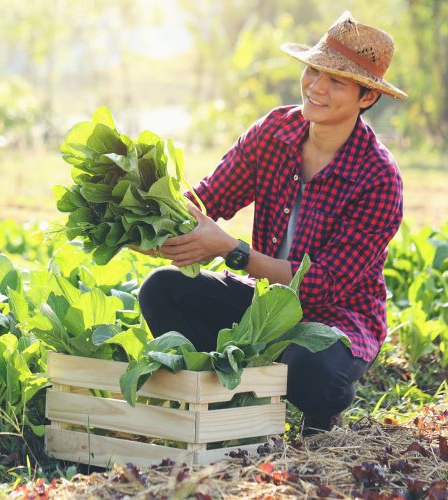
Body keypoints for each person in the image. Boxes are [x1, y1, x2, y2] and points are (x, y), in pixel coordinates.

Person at [138, 11, 407, 436]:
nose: (316, 86)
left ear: (366, 97)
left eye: (336, 81)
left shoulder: (378, 177)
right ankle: (224, 399)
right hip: (264, 302)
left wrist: (231, 250)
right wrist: (150, 222)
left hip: (336, 318)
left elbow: (319, 286)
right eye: (313, 70)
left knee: (311, 370)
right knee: (161, 289)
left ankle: (317, 413)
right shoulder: (274, 133)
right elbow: (210, 196)